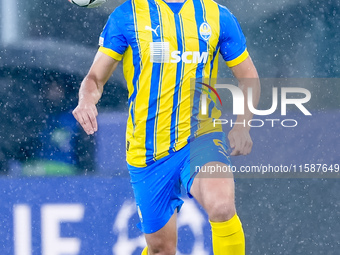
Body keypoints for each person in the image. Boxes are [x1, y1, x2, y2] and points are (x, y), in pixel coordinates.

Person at [72, 0, 260, 254]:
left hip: (201, 137)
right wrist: (86, 100)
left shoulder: (217, 15)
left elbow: (248, 76)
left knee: (221, 207)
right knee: (161, 249)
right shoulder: (128, 15)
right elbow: (95, 78)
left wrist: (242, 125)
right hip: (147, 150)